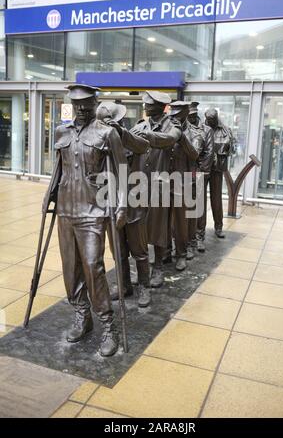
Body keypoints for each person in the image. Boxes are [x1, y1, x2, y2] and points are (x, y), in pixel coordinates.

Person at [43, 84, 127, 357]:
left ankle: (107, 325)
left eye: (87, 103)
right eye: (76, 104)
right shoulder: (61, 132)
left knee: (93, 267)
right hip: (66, 209)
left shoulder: (107, 132)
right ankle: (82, 316)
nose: (81, 108)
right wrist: (49, 196)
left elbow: (122, 171)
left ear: (95, 103)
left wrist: (122, 205)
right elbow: (59, 169)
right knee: (71, 269)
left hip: (93, 211)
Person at [96, 101, 152, 308]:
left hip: (133, 201)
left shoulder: (131, 136)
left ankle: (144, 287)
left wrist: (121, 132)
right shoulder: (99, 140)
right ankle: (124, 285)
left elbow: (143, 146)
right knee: (118, 249)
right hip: (110, 201)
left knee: (139, 249)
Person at [133, 90, 182, 288]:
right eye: (145, 104)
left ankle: (158, 267)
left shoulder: (173, 125)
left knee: (159, 227)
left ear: (160, 106)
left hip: (161, 183)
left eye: (149, 104)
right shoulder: (140, 124)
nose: (145, 106)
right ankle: (142, 268)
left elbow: (169, 140)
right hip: (140, 183)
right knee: (139, 228)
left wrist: (147, 135)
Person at [166, 101, 203, 269]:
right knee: (163, 221)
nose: (173, 118)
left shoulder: (194, 133)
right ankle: (165, 251)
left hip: (184, 182)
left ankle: (181, 253)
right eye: (172, 115)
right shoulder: (166, 128)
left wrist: (181, 137)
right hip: (164, 180)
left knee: (181, 222)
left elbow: (195, 154)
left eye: (177, 116)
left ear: (185, 116)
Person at [197, 107, 233, 242]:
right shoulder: (200, 129)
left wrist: (214, 149)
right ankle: (199, 231)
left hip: (217, 168)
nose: (210, 121)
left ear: (216, 118)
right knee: (200, 200)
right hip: (203, 168)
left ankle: (219, 227)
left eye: (213, 119)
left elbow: (229, 149)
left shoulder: (225, 130)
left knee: (216, 198)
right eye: (208, 119)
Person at [188, 101, 214, 252]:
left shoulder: (206, 130)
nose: (190, 117)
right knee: (185, 206)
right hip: (184, 171)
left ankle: (199, 237)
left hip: (198, 172)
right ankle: (187, 237)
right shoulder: (184, 128)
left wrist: (201, 171)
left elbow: (209, 153)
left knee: (199, 206)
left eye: (192, 114)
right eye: (188, 115)